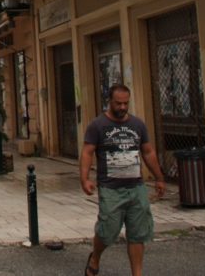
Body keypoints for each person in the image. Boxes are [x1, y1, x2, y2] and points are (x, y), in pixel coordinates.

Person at [80, 84, 165, 276]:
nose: (123, 107)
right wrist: (84, 179)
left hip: (136, 187)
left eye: (126, 103)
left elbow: (148, 152)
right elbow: (87, 152)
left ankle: (137, 273)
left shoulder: (137, 125)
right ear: (110, 101)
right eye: (118, 103)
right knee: (107, 231)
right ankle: (95, 257)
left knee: (138, 233)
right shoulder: (97, 125)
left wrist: (159, 178)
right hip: (111, 188)